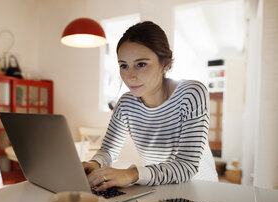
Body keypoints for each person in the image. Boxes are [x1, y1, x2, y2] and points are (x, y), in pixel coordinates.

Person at [82, 21, 218, 191]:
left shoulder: (191, 94)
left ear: (165, 63)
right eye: (124, 65)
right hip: (161, 190)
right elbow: (108, 151)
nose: (130, 76)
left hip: (201, 193)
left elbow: (186, 166)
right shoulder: (126, 105)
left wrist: (131, 174)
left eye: (141, 64)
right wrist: (95, 163)